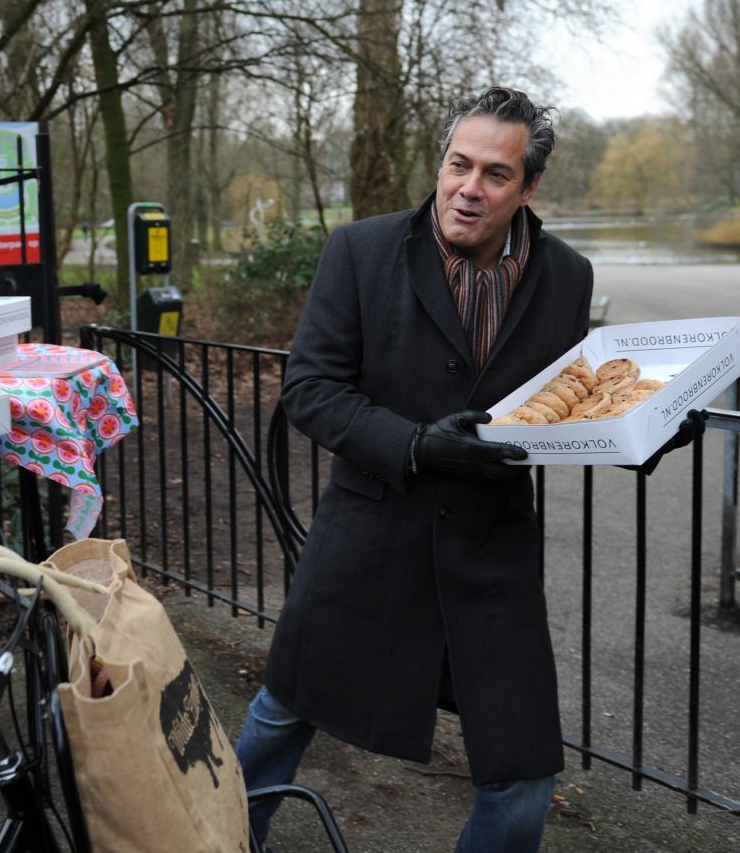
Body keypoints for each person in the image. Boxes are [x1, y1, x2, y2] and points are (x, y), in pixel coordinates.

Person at [236, 87, 591, 853]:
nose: (469, 188)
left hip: (490, 556)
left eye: (496, 174)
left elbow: (568, 407)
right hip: (370, 540)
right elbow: (310, 389)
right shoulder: (361, 251)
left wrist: (654, 425)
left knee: (523, 774)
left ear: (529, 188)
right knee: (282, 717)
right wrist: (419, 444)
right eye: (459, 165)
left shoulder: (568, 276)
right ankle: (222, 841)